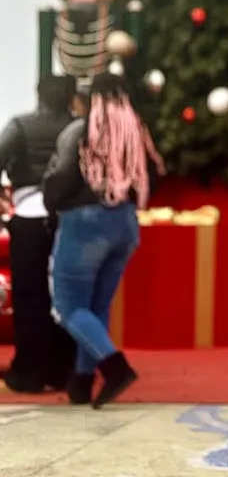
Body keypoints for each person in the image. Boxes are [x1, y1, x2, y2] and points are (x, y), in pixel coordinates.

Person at [43, 72, 165, 408]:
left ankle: (115, 367)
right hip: (125, 223)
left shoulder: (81, 131)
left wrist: (52, 203)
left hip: (84, 223)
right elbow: (154, 174)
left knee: (68, 307)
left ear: (93, 98)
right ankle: (82, 383)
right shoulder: (136, 131)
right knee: (96, 307)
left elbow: (60, 176)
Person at [0, 75, 79, 393]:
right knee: (65, 294)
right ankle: (63, 369)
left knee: (29, 294)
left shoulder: (20, 126)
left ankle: (29, 372)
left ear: (38, 95)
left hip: (29, 215)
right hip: (69, 217)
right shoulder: (80, 127)